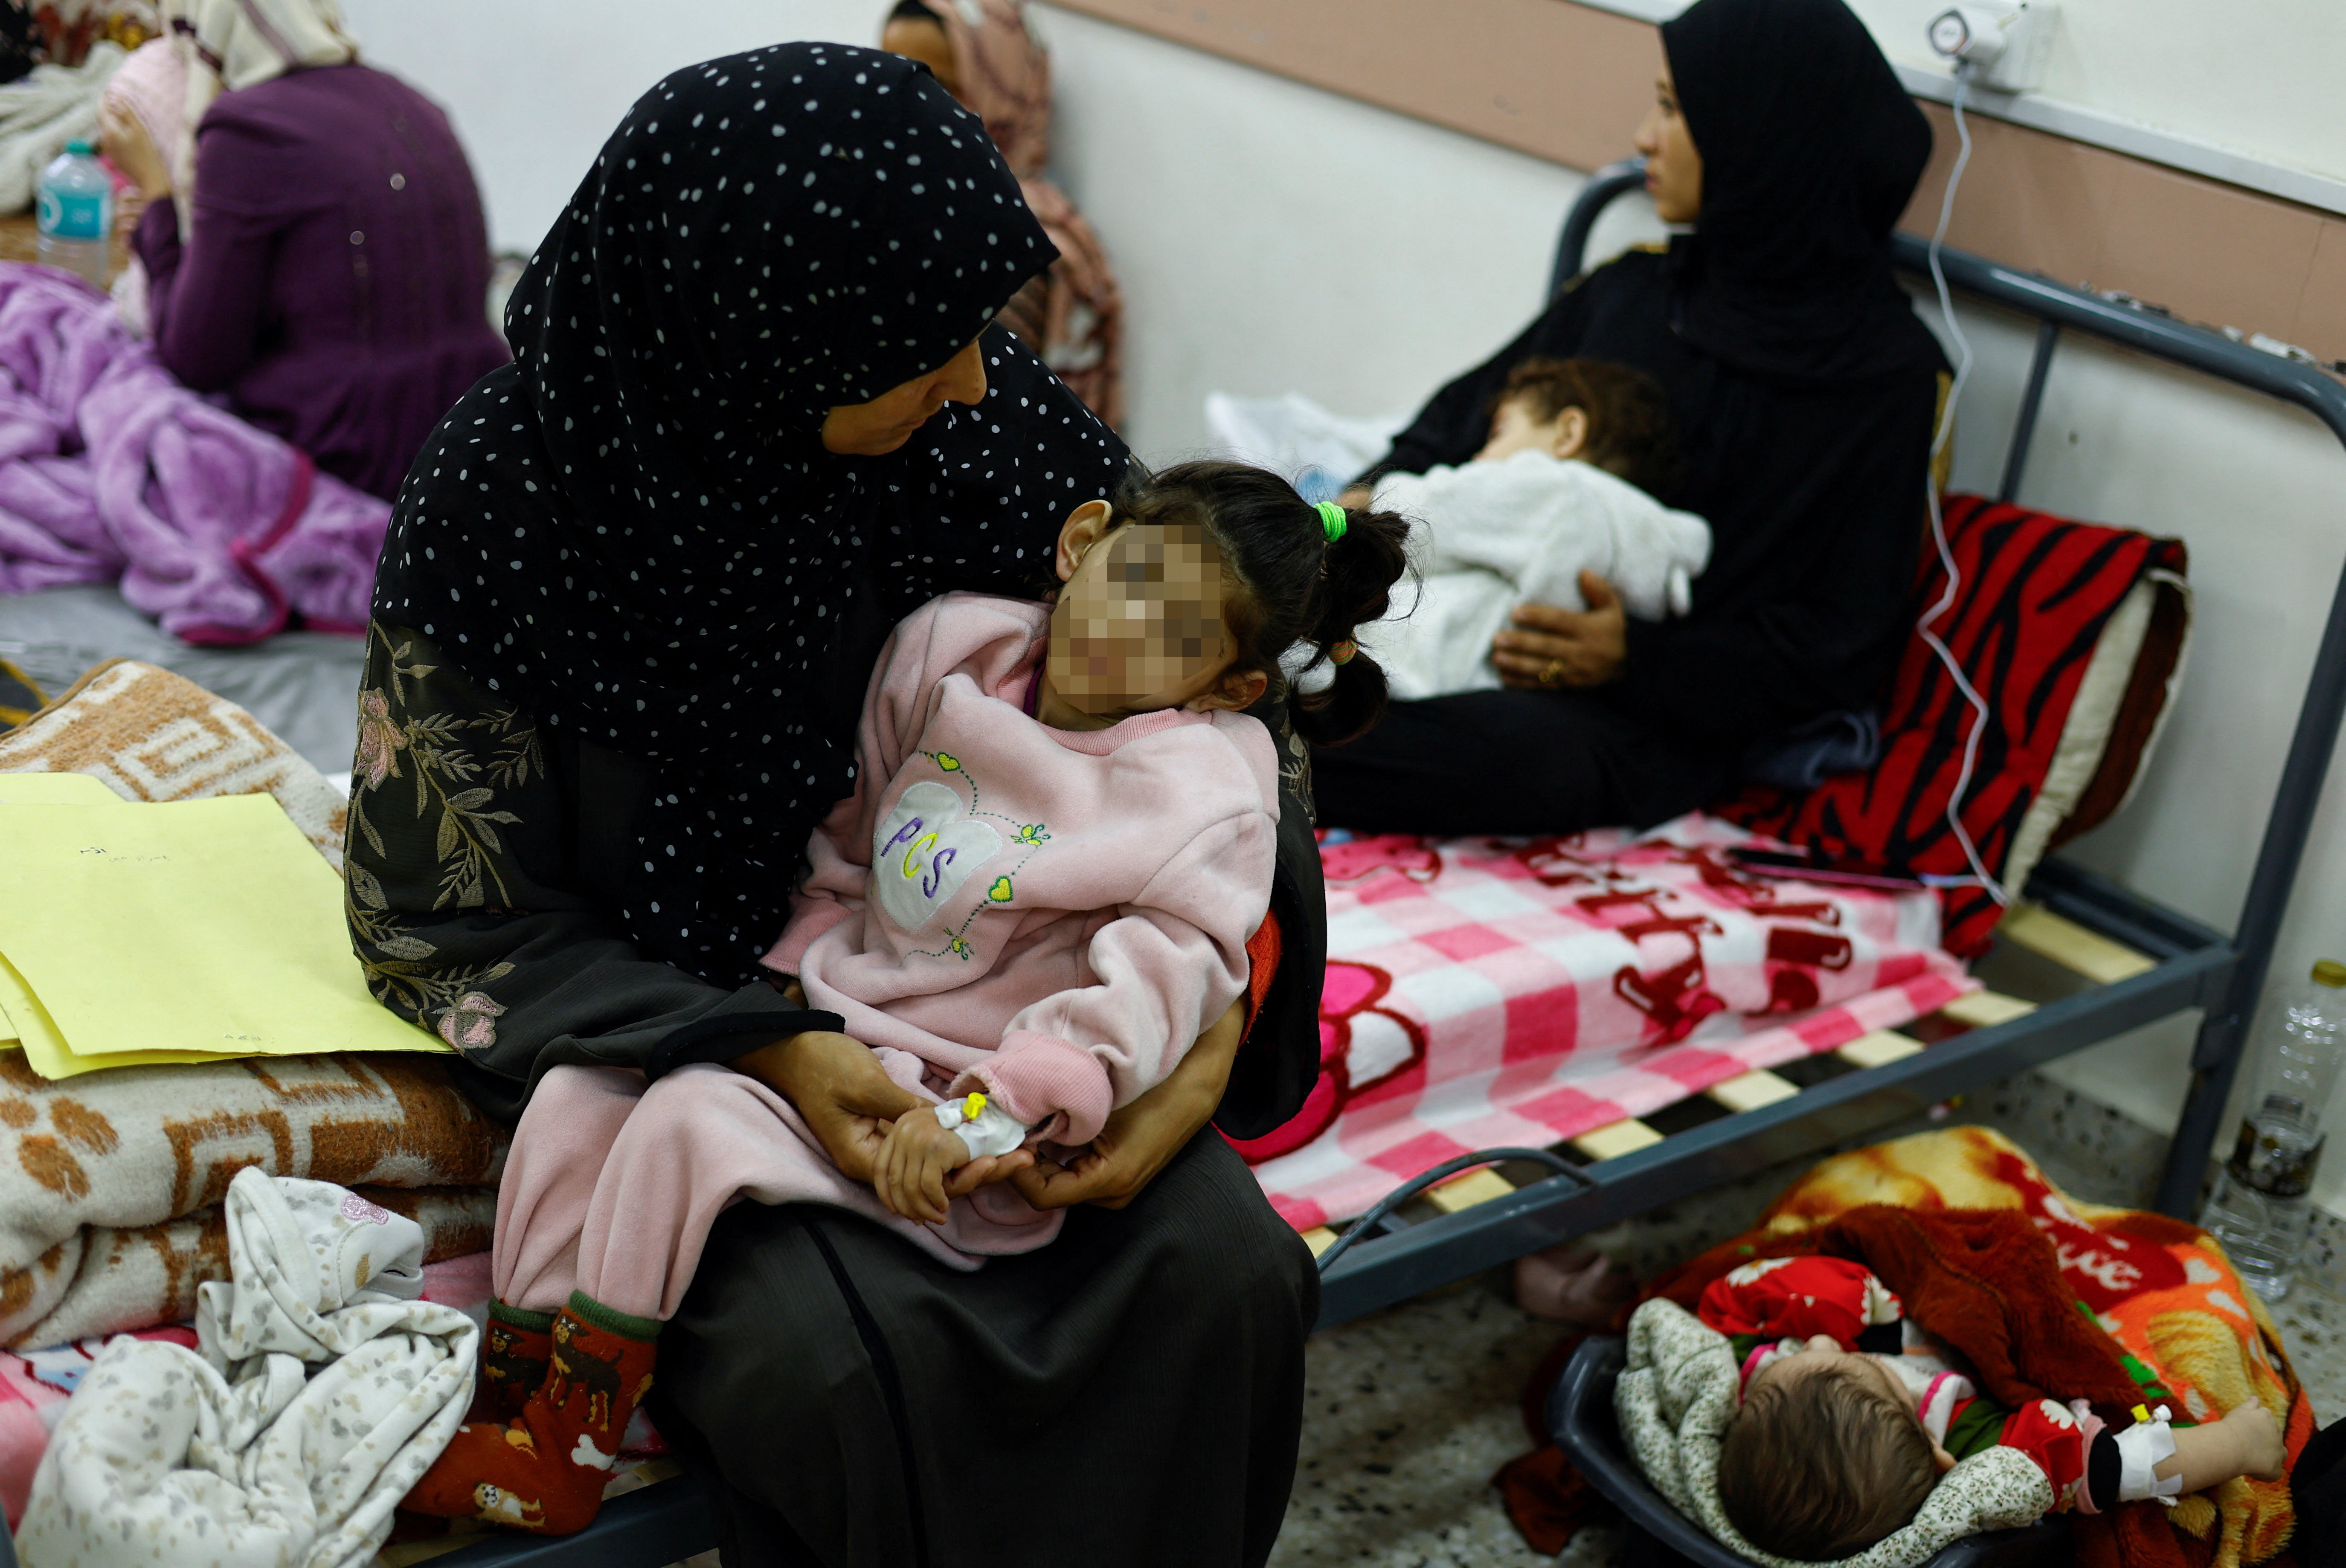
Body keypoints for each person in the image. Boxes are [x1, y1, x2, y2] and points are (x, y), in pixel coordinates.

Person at [348, 44, 1325, 1566]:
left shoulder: (990, 432)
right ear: (760, 343)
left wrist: (1193, 1061)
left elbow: (1220, 730)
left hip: (1009, 1009)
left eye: (975, 331)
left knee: (1226, 1278)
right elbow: (448, 912)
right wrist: (772, 1045)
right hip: (687, 1033)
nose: (971, 377)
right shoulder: (508, 506)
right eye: (915, 348)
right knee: (831, 1368)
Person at [397, 468, 1405, 1536]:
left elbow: (1151, 993)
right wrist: (787, 987)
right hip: (842, 1019)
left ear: (1225, 687)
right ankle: (511, 1390)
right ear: (1082, 540)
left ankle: (570, 1441)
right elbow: (853, 839)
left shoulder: (1199, 798)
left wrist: (985, 1119)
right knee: (578, 1091)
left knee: (690, 1121)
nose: (1128, 626)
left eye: (1179, 631)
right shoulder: (949, 653)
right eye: (1136, 577)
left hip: (968, 1094)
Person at [1313, 0, 1948, 838]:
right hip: (1444, 612)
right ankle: (1248, 722)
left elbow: (1837, 646)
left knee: (1523, 755)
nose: (1644, 137)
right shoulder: (1629, 293)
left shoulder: (1882, 381)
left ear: (1760, 133)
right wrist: (1348, 524)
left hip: (1636, 713)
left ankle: (1254, 747)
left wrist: (1630, 660)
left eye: (1674, 109)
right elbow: (1448, 430)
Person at [97, 0, 506, 501]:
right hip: (472, 439)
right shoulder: (413, 101)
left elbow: (196, 355)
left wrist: (156, 199)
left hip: (352, 450)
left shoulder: (248, 128)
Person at [1704, 1255, 2288, 1559]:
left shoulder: (1762, 1378)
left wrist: (1847, 1325)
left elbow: (1728, 1302)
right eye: (1863, 1365)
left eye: (1808, 1352)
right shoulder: (1974, 1439)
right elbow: (2111, 1467)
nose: (1824, 1341)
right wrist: (2236, 1445)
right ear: (1935, 1454)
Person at [1357, 356, 1708, 702]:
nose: (1476, 458)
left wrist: (1371, 502)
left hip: (1399, 669)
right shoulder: (1646, 550)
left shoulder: (1552, 492)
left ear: (1568, 433)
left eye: (1498, 434)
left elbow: (1425, 515)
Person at [881, 0, 1123, 427]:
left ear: (1000, 83)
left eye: (939, 82)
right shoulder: (887, 193)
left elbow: (978, 413)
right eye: (893, 74)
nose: (903, 102)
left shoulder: (1013, 234)